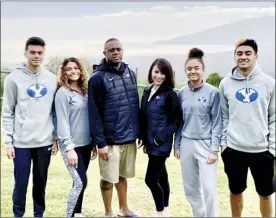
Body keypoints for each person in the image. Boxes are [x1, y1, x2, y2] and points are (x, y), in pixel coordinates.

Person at [1, 36, 59, 217]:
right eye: (32, 52)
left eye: (40, 53)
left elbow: (54, 111)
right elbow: (8, 112)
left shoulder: (51, 79)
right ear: (25, 52)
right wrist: (8, 142)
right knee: (21, 183)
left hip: (44, 141)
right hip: (21, 143)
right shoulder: (13, 79)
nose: (36, 56)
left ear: (44, 54)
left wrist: (56, 137)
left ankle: (38, 214)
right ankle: (18, 214)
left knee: (40, 183)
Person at [219, 38, 275, 217]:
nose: (243, 57)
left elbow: (274, 117)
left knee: (265, 194)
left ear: (256, 56)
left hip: (262, 150)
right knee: (235, 191)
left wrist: (272, 149)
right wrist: (224, 144)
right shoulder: (225, 84)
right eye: (239, 53)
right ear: (235, 56)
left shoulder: (269, 83)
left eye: (248, 53)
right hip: (234, 149)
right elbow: (224, 116)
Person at [88, 38, 139, 217]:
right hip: (109, 141)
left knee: (122, 176)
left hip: (129, 138)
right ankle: (108, 212)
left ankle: (124, 209)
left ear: (123, 51)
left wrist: (137, 132)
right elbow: (93, 114)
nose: (116, 52)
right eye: (111, 50)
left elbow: (134, 105)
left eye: (118, 49)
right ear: (105, 53)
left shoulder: (130, 73)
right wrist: (100, 142)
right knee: (108, 179)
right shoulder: (97, 78)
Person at [174, 48, 222, 217]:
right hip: (187, 143)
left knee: (209, 188)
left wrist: (214, 149)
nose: (193, 71)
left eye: (196, 68)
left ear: (203, 70)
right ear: (185, 71)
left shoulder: (213, 92)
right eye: (189, 69)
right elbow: (179, 122)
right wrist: (177, 145)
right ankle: (199, 215)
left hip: (206, 143)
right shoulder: (181, 93)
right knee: (190, 188)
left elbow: (217, 122)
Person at [54, 57, 97, 217]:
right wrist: (69, 147)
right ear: (64, 73)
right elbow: (62, 122)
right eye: (69, 69)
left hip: (86, 144)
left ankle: (77, 213)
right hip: (72, 147)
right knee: (80, 182)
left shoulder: (85, 91)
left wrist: (93, 141)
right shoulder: (62, 93)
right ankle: (70, 214)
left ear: (80, 70)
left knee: (79, 183)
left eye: (76, 68)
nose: (73, 71)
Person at [139, 58, 180, 217]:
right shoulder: (148, 90)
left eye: (163, 73)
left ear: (168, 75)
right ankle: (166, 210)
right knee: (162, 175)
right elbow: (144, 115)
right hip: (150, 142)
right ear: (151, 72)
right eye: (156, 71)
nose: (159, 76)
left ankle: (160, 213)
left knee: (150, 179)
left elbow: (176, 120)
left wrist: (160, 137)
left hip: (160, 144)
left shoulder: (169, 94)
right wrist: (143, 136)